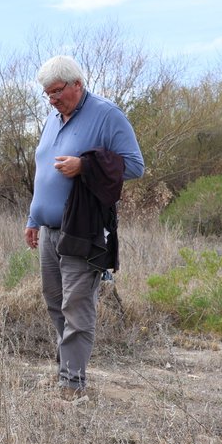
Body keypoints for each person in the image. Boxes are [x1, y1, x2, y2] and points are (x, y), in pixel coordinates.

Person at [24, 55, 144, 399]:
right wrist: (33, 218)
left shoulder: (106, 115)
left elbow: (135, 165)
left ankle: (73, 385)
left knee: (77, 305)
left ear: (77, 84)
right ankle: (65, 371)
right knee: (54, 301)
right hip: (48, 229)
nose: (52, 99)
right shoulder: (52, 119)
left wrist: (86, 165)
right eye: (47, 94)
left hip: (83, 227)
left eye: (57, 91)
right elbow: (42, 172)